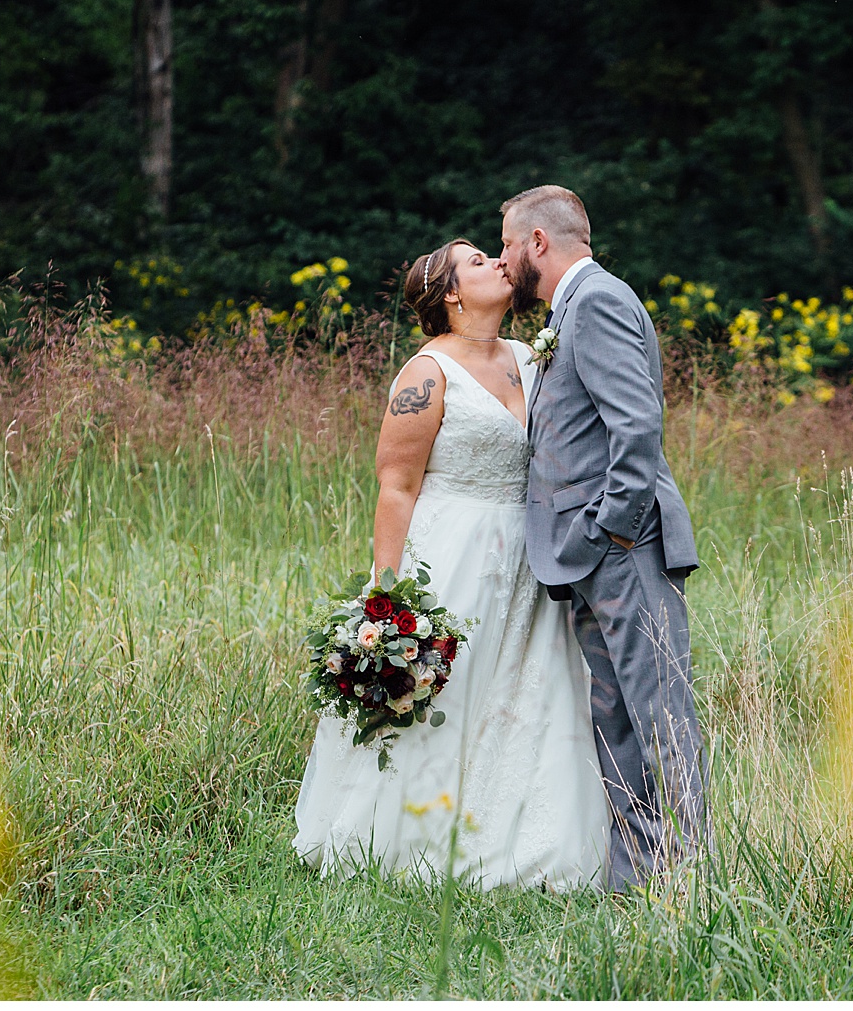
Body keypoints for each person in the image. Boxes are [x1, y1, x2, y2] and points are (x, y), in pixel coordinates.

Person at [293, 240, 608, 888]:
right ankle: (401, 834)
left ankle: (521, 839)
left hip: (529, 553)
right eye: (476, 261)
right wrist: (387, 596)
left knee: (531, 688)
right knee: (450, 689)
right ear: (451, 294)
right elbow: (396, 483)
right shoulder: (426, 373)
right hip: (451, 552)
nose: (499, 261)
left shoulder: (530, 356)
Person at [498, 184, 707, 889]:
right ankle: (638, 880)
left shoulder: (601, 299)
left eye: (506, 244)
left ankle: (693, 881)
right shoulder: (571, 309)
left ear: (537, 242)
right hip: (591, 559)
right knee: (618, 720)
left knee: (660, 716)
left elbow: (637, 424)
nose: (503, 261)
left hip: (625, 550)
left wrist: (610, 529)